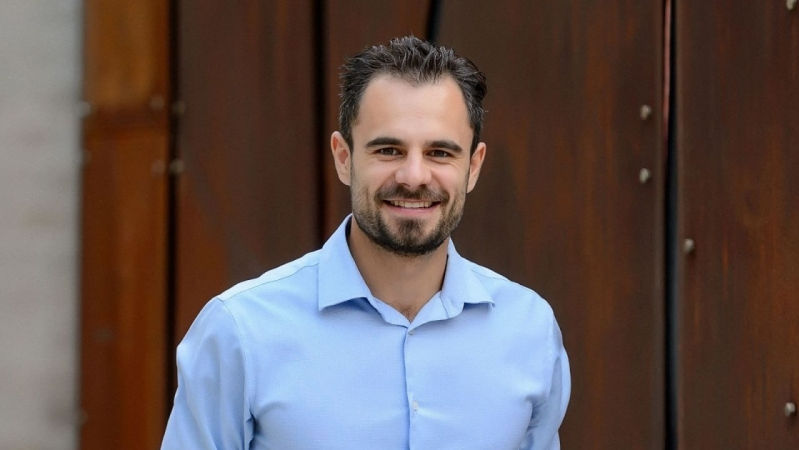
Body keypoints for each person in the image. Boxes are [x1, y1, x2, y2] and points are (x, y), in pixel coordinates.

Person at [162, 35, 570, 450]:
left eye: (440, 153)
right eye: (389, 150)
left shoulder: (530, 330)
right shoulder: (240, 331)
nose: (414, 177)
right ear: (344, 158)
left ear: (474, 166)